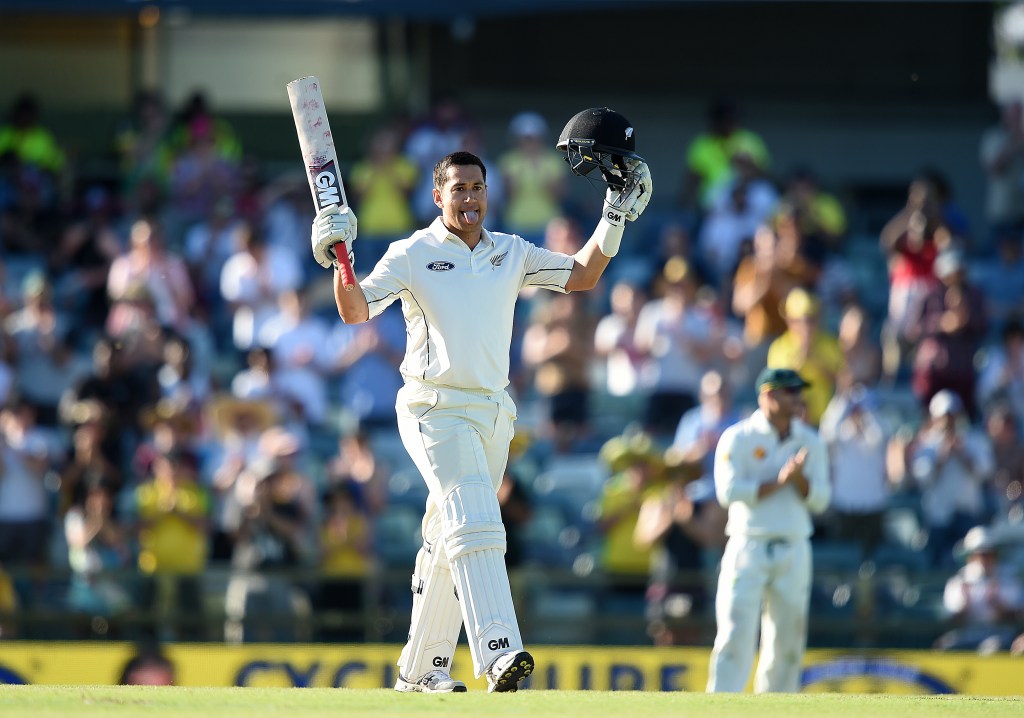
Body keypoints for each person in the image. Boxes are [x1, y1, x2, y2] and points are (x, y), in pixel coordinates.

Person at [310, 108, 652, 694]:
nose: (469, 199)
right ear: (437, 193)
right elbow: (354, 310)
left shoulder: (511, 251)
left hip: (494, 412)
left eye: (477, 189)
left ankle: (420, 672)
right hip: (432, 408)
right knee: (475, 520)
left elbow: (584, 275)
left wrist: (612, 216)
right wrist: (338, 256)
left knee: (449, 537)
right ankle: (500, 651)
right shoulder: (412, 252)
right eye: (458, 189)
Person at [706, 367, 831, 693]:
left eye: (798, 392)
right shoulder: (738, 437)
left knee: (787, 641)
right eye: (790, 392)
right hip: (748, 544)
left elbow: (820, 500)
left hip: (793, 545)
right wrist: (779, 482)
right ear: (768, 396)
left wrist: (798, 479)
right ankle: (721, 710)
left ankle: (778, 709)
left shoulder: (811, 440)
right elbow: (728, 493)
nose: (797, 399)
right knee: (735, 635)